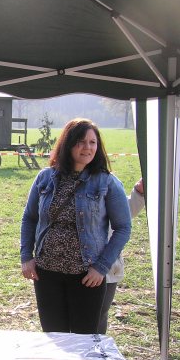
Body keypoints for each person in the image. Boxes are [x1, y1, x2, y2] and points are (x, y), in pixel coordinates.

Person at [20, 118, 131, 334]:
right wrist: (26, 257)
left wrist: (101, 267)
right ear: (68, 144)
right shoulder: (45, 178)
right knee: (54, 338)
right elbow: (29, 218)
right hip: (46, 274)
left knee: (83, 342)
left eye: (92, 142)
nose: (87, 147)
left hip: (87, 277)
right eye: (81, 141)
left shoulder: (107, 182)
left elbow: (123, 228)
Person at [98, 178, 145, 333]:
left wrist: (138, 192)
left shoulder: (108, 183)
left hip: (107, 268)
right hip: (73, 267)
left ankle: (96, 346)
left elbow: (127, 209)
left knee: (99, 315)